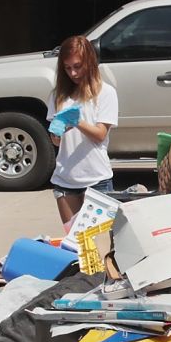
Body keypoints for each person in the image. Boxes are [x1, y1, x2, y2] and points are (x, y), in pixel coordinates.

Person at [50, 33, 118, 227]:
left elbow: (100, 135)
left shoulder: (106, 93)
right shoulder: (58, 95)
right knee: (74, 243)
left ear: (89, 62)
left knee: (100, 244)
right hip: (65, 179)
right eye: (68, 68)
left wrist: (77, 121)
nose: (73, 73)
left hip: (97, 179)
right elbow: (56, 141)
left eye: (78, 66)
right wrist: (56, 132)